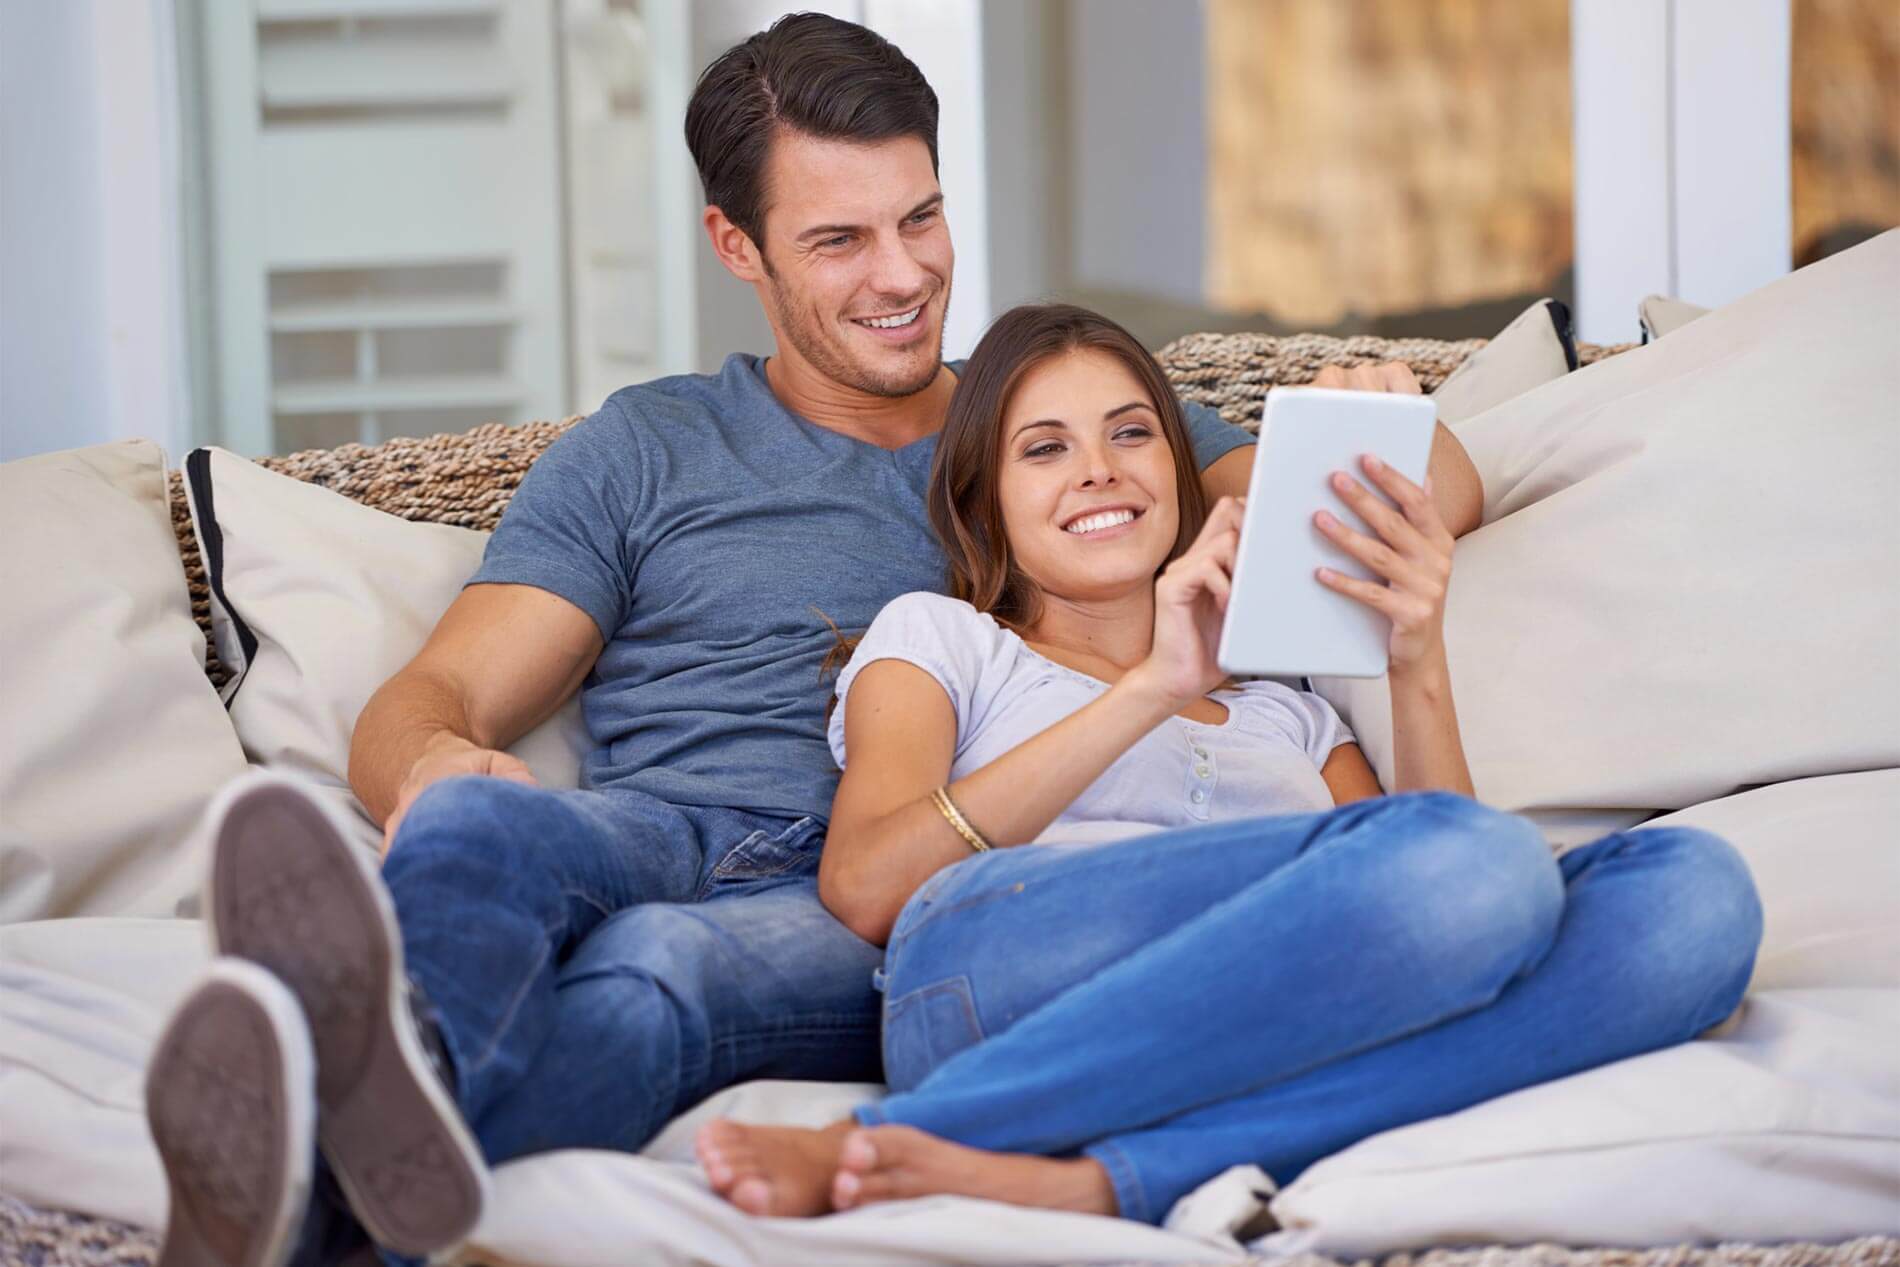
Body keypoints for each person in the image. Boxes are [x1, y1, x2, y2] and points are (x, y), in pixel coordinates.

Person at [139, 15, 1487, 1267]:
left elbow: (1423, 494)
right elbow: (432, 693)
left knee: (649, 975)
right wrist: (433, 768)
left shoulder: (1057, 425)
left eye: (922, 217)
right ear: (739, 247)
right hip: (662, 821)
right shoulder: (645, 450)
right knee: (473, 833)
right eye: (840, 241)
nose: (903, 276)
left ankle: (300, 1175)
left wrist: (1361, 428)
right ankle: (343, 1109)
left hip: (873, 890)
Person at [693, 303, 1764, 1224]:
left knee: (1694, 900)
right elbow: (870, 884)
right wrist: (1148, 688)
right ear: (984, 500)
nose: (1100, 470)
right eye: (1045, 447)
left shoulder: (1283, 711)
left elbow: (1443, 907)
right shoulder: (940, 636)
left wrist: (1412, 650)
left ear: (1177, 473)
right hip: (999, 964)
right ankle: (890, 1133)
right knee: (1477, 862)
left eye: (1129, 434)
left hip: (1263, 1003)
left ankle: (1106, 1183)